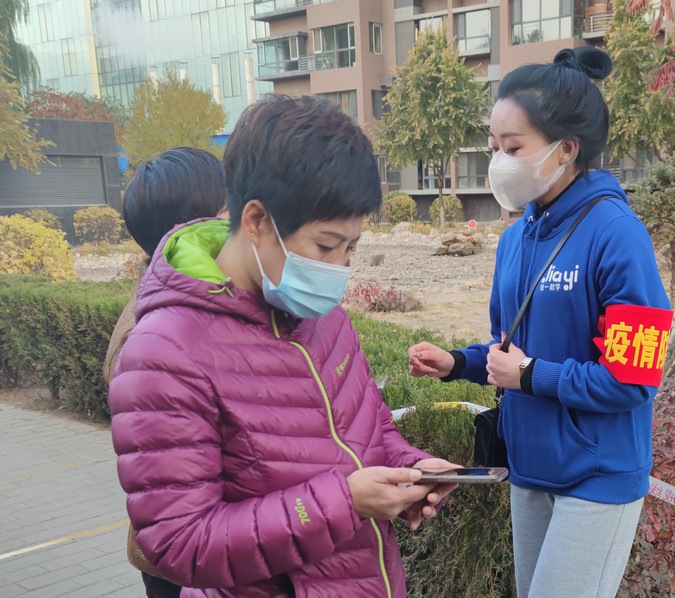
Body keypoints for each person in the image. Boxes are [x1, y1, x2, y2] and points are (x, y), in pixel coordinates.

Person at [108, 95, 458, 598]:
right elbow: (178, 543)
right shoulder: (164, 354)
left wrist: (409, 467)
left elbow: (368, 425)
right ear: (256, 221)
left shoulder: (322, 316)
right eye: (325, 246)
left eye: (351, 248)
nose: (338, 269)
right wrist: (345, 503)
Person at [408, 47, 673, 598]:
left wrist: (532, 376)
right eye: (493, 147)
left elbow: (634, 379)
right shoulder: (514, 241)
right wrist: (457, 363)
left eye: (513, 148)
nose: (499, 161)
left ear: (566, 149)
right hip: (529, 469)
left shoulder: (618, 235)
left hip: (598, 475)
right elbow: (507, 349)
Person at [104, 146, 228, 598]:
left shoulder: (193, 304)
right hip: (186, 566)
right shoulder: (150, 337)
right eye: (231, 209)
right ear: (196, 227)